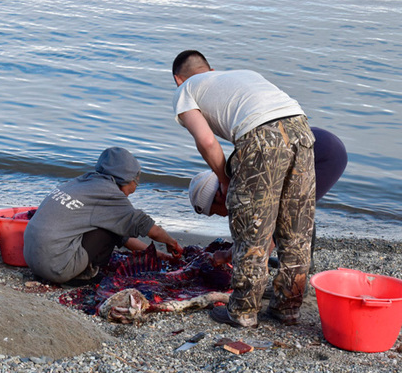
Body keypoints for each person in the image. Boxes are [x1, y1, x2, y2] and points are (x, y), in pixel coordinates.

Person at [172, 49, 316, 328]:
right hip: (302, 128)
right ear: (210, 68)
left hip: (262, 137)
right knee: (296, 230)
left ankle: (243, 312)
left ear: (179, 79)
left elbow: (207, 142)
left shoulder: (186, 90)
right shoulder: (242, 75)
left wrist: (224, 178)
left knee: (253, 229)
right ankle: (287, 308)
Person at [23, 146, 183, 285]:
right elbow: (147, 227)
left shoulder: (81, 182)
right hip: (56, 268)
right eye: (136, 182)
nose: (135, 188)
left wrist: (158, 255)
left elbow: (124, 237)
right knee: (110, 229)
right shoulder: (110, 194)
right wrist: (172, 242)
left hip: (31, 260)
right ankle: (83, 276)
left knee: (110, 224)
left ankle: (70, 268)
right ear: (127, 179)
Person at [188, 126, 348, 264]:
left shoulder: (243, 188)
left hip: (325, 155)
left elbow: (266, 234)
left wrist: (228, 257)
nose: (222, 216)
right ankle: (304, 264)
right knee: (297, 207)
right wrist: (231, 253)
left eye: (216, 212)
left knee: (288, 215)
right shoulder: (234, 175)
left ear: (217, 196)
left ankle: (297, 279)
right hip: (319, 140)